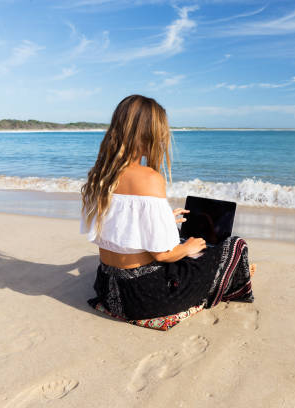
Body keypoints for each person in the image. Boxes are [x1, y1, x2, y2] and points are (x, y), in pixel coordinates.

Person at [80, 95, 254, 322]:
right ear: (149, 135)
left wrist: (163, 220)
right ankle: (235, 278)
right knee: (234, 245)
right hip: (144, 298)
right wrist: (188, 247)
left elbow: (119, 226)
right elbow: (163, 255)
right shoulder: (149, 178)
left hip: (107, 288)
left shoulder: (100, 176)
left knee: (193, 253)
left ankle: (230, 272)